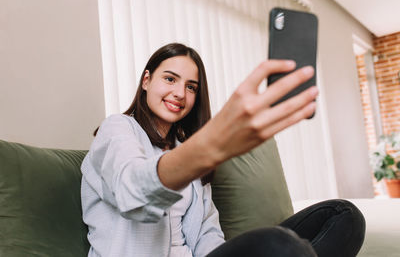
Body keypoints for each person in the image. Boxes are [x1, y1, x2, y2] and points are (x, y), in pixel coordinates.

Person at [81, 43, 365, 257]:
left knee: (343, 215)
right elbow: (134, 191)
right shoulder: (117, 129)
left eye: (191, 87)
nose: (180, 93)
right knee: (280, 244)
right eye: (170, 79)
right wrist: (208, 147)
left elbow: (206, 233)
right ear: (146, 81)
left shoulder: (184, 147)